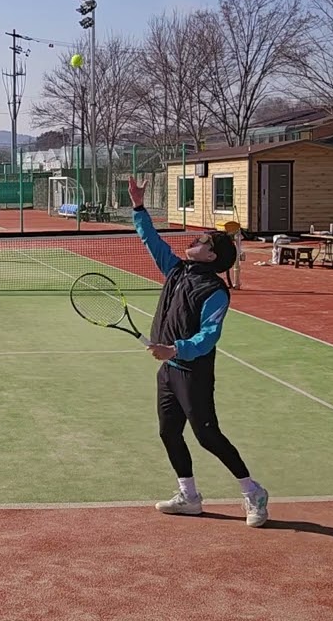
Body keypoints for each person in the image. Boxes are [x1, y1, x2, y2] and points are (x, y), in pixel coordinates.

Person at [129, 178, 269, 528]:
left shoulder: (215, 292)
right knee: (169, 432)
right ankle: (188, 496)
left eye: (201, 241)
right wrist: (138, 207)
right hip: (169, 371)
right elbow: (151, 241)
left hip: (193, 372)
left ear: (211, 256)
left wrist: (175, 348)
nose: (194, 241)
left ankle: (253, 491)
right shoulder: (176, 270)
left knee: (207, 436)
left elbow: (208, 336)